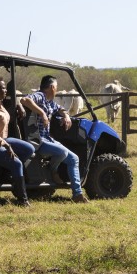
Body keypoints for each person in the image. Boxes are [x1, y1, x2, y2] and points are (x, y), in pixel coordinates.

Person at [20, 75, 89, 203]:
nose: (57, 90)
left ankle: (77, 194)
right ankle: (53, 171)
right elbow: (25, 100)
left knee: (74, 158)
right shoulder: (40, 96)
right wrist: (41, 113)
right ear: (52, 87)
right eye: (56, 87)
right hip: (38, 140)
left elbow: (60, 109)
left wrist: (66, 116)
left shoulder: (50, 102)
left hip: (48, 139)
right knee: (62, 152)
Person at [0, 76, 36, 206]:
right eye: (3, 88)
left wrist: (19, 105)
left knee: (29, 149)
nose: (6, 91)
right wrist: (5, 145)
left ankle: (7, 171)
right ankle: (23, 199)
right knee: (17, 164)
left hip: (4, 139)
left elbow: (13, 102)